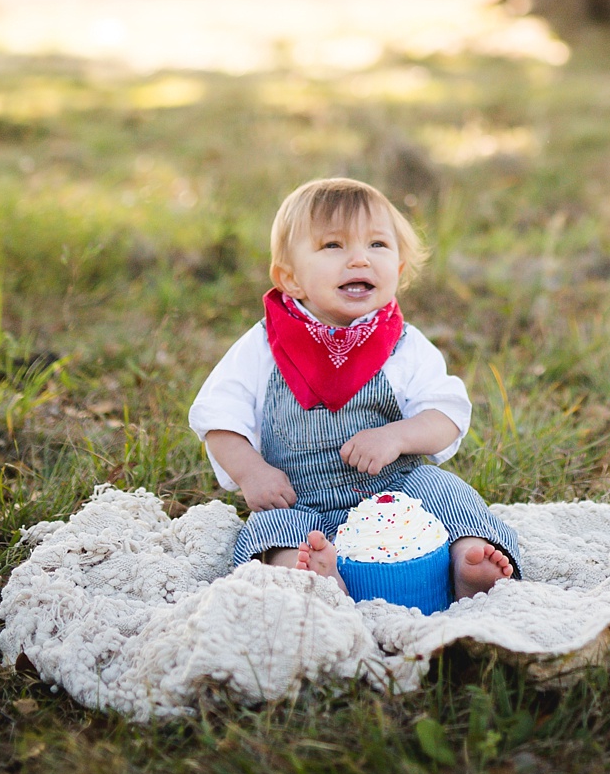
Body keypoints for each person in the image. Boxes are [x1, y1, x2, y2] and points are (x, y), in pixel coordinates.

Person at [188, 176, 519, 600]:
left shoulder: (402, 344)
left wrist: (396, 436)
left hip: (398, 493)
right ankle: (312, 571)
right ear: (289, 277)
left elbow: (446, 414)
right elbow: (220, 417)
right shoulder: (264, 345)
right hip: (300, 500)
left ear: (398, 269)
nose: (360, 260)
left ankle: (466, 559)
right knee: (268, 532)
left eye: (377, 245)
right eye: (333, 246)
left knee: (447, 492)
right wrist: (252, 472)